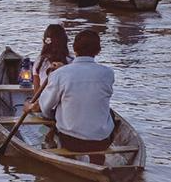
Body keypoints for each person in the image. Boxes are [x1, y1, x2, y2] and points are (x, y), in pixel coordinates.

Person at [26, 30, 115, 164]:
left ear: (74, 49)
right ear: (98, 50)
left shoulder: (60, 74)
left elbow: (45, 107)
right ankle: (97, 159)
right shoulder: (108, 73)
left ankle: (57, 147)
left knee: (51, 111)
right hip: (102, 141)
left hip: (71, 141)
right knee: (110, 114)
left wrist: (31, 107)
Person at [33, 24, 72, 93]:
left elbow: (36, 91)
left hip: (45, 102)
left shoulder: (39, 62)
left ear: (45, 41)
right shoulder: (71, 62)